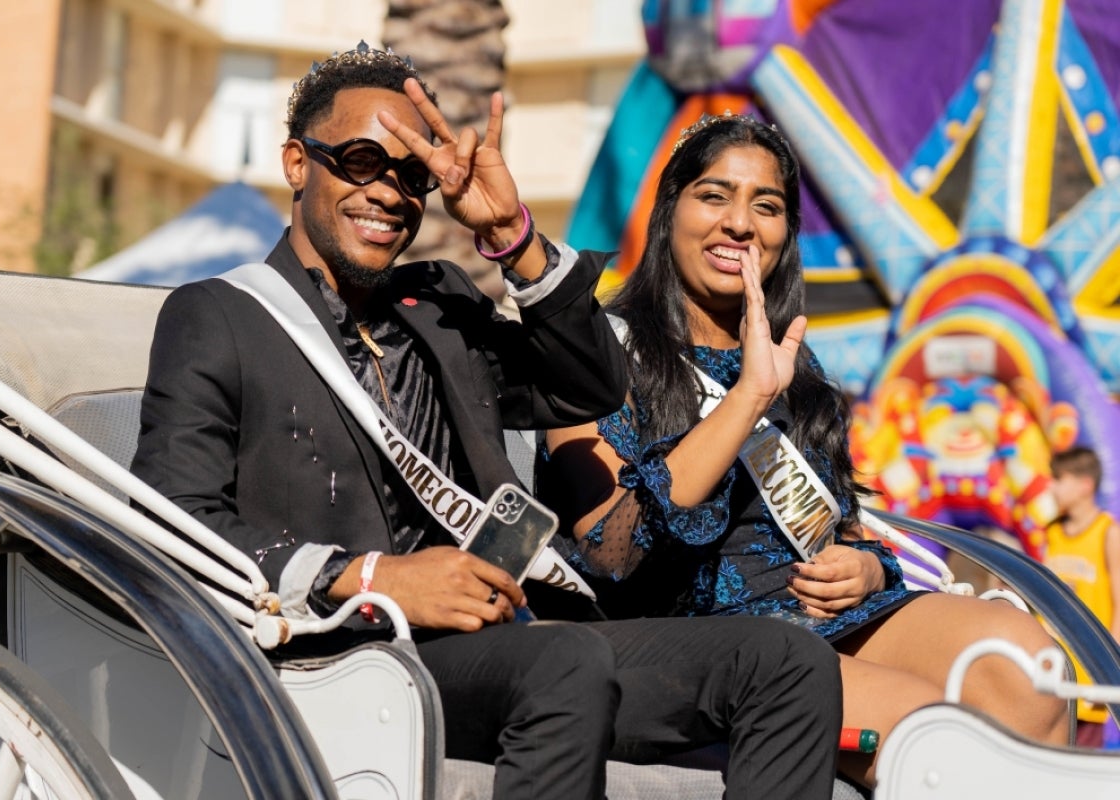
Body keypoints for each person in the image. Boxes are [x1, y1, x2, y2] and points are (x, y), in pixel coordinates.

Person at [131, 45, 844, 799]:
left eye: (412, 175)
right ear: (298, 163)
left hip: (512, 633)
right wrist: (378, 577)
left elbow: (591, 386)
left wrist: (513, 237)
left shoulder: (436, 306)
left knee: (788, 660)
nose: (389, 193)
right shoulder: (221, 315)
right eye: (361, 160)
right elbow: (177, 518)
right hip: (347, 651)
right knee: (565, 662)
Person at [540, 112, 1070, 787]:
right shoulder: (603, 352)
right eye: (714, 195)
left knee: (1025, 666)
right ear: (669, 209)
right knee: (935, 735)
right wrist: (746, 399)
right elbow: (610, 553)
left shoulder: (800, 367)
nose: (740, 223)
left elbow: (846, 529)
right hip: (692, 640)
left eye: (767, 206)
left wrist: (867, 570)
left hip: (824, 617)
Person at [1045, 446, 1120, 747]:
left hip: (1089, 674)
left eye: (1058, 479)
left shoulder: (1108, 532)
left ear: (1084, 485)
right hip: (1051, 669)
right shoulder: (1050, 532)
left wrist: (1110, 666)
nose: (1051, 486)